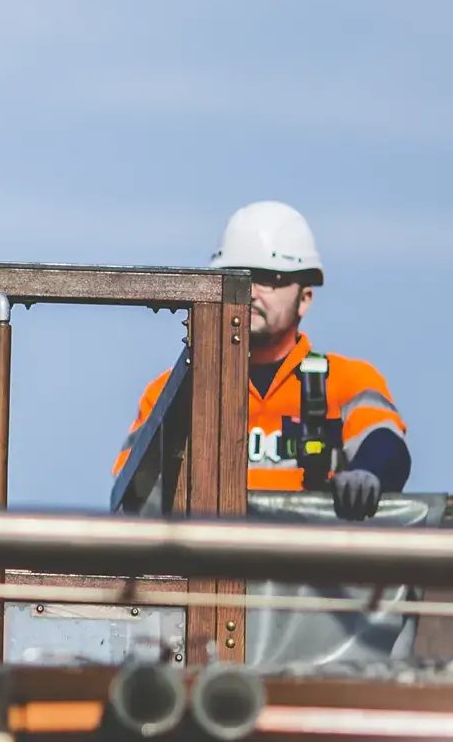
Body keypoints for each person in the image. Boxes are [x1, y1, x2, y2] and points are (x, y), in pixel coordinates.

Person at [114, 201, 409, 519]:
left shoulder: (347, 381)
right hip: (210, 562)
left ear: (304, 299)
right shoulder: (174, 391)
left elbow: (386, 444)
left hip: (310, 563)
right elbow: (132, 492)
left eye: (271, 278)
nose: (251, 291)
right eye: (239, 276)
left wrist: (369, 474)